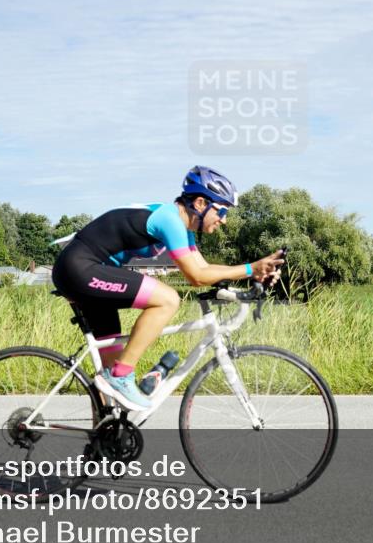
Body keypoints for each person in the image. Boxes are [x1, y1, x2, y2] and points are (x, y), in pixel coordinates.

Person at [51, 166, 284, 410]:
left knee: (107, 384)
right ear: (201, 203)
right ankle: (122, 375)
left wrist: (254, 278)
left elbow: (206, 270)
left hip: (89, 272)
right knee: (168, 299)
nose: (224, 220)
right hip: (79, 269)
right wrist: (251, 269)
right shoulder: (169, 220)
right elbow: (196, 277)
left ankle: (101, 440)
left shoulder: (183, 230)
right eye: (222, 210)